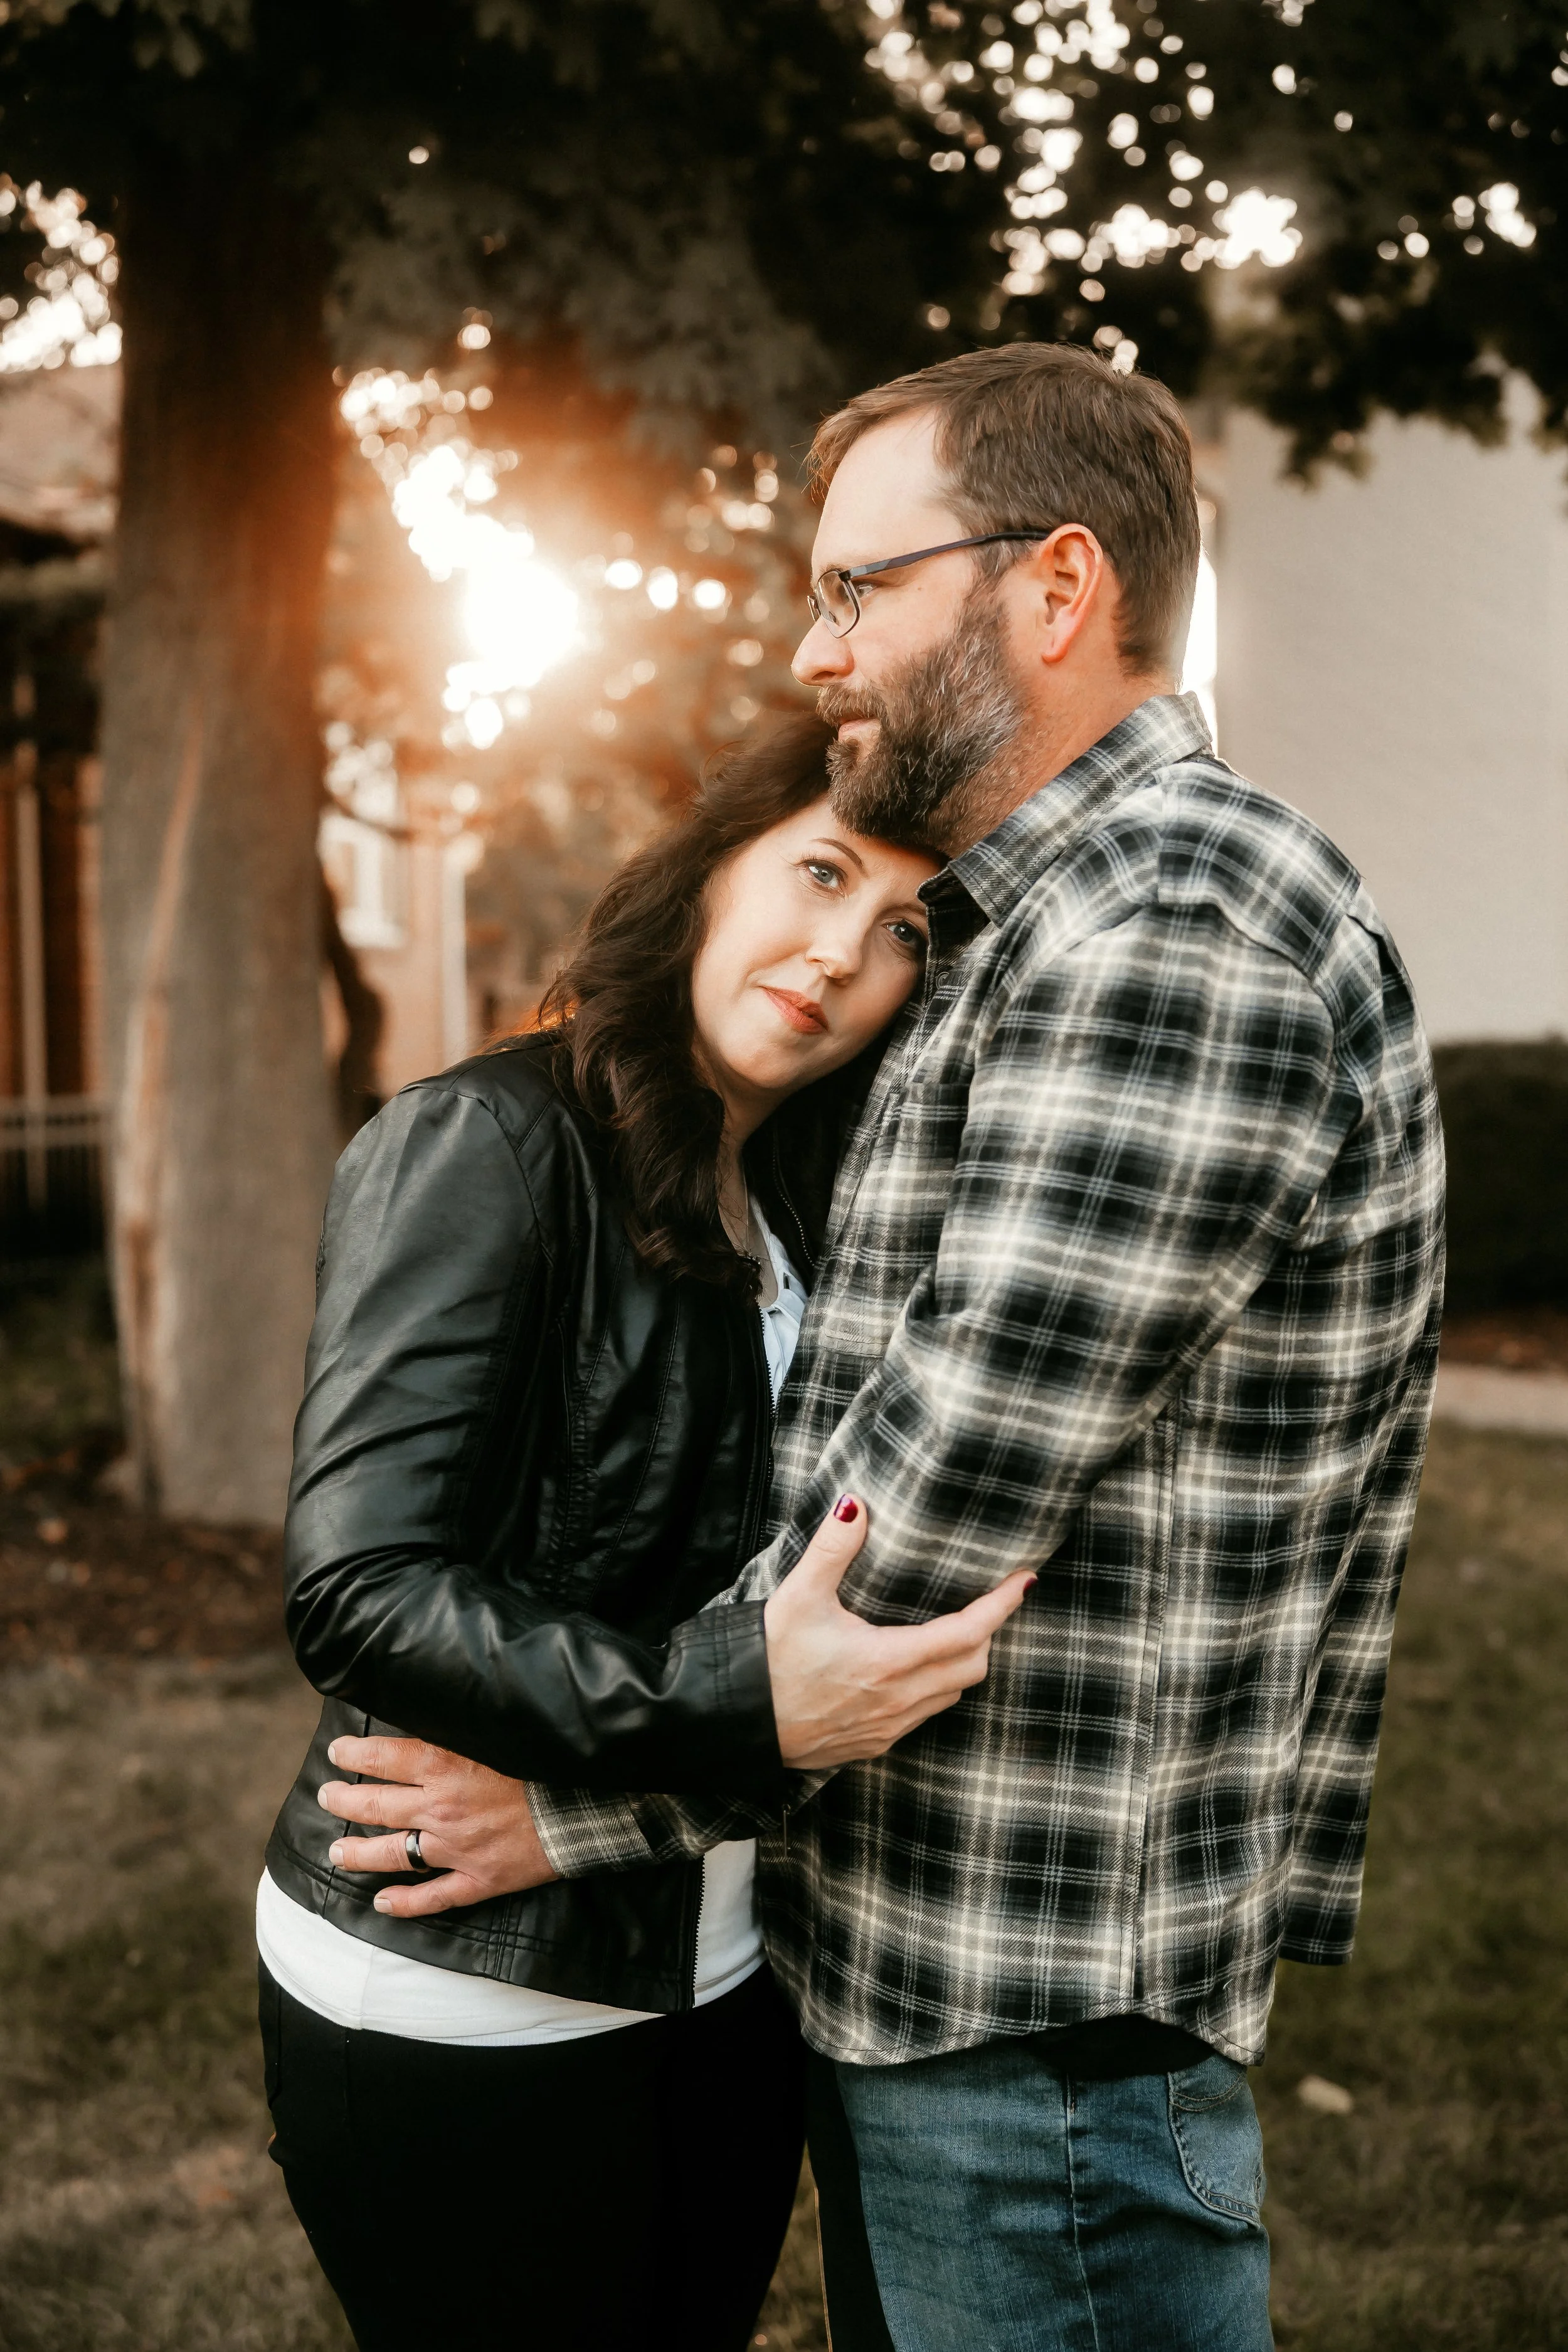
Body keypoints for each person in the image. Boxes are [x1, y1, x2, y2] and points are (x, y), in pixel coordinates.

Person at [322, 343, 1444, 2352]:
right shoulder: (1037, 926)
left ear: (1051, 586)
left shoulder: (1170, 922)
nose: (812, 644)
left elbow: (908, 1523)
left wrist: (572, 1820)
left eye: (857, 586)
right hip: (926, 1980)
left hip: (1033, 2023)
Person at [257, 711, 1035, 2352]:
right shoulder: (491, 1142)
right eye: (818, 871)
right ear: (708, 868)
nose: (837, 953)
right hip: (464, 1975)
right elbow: (360, 1584)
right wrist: (731, 1707)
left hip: (725, 1967)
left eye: (904, 930)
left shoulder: (805, 1201)